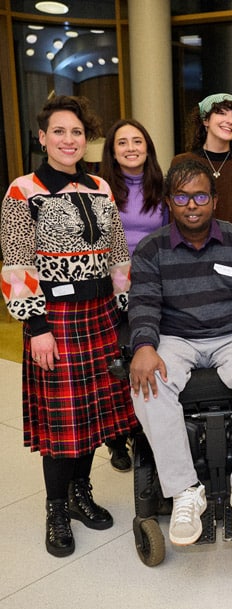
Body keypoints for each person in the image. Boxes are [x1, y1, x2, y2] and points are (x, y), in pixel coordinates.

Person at [0, 95, 136, 557]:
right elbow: (16, 265)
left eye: (76, 132)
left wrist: (125, 312)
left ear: (85, 138)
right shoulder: (23, 190)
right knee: (62, 423)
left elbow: (118, 256)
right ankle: (56, 509)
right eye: (59, 131)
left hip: (101, 316)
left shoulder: (99, 186)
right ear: (42, 138)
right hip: (52, 320)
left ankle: (82, 494)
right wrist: (36, 327)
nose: (68, 140)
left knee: (91, 416)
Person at [128, 159, 232, 546]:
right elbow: (143, 303)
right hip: (176, 337)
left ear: (215, 199)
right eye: (181, 197)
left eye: (200, 196)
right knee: (148, 383)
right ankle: (184, 492)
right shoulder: (150, 249)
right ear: (169, 202)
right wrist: (144, 346)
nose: (191, 205)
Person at [99, 118, 167, 472]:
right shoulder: (99, 187)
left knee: (147, 351)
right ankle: (115, 439)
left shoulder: (161, 185)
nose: (130, 148)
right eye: (122, 142)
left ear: (147, 147)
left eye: (137, 141)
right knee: (116, 359)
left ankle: (144, 431)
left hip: (152, 282)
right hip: (111, 287)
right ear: (112, 151)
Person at [172, 93, 232, 245]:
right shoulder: (181, 162)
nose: (229, 121)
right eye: (221, 113)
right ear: (205, 120)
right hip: (190, 254)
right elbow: (177, 214)